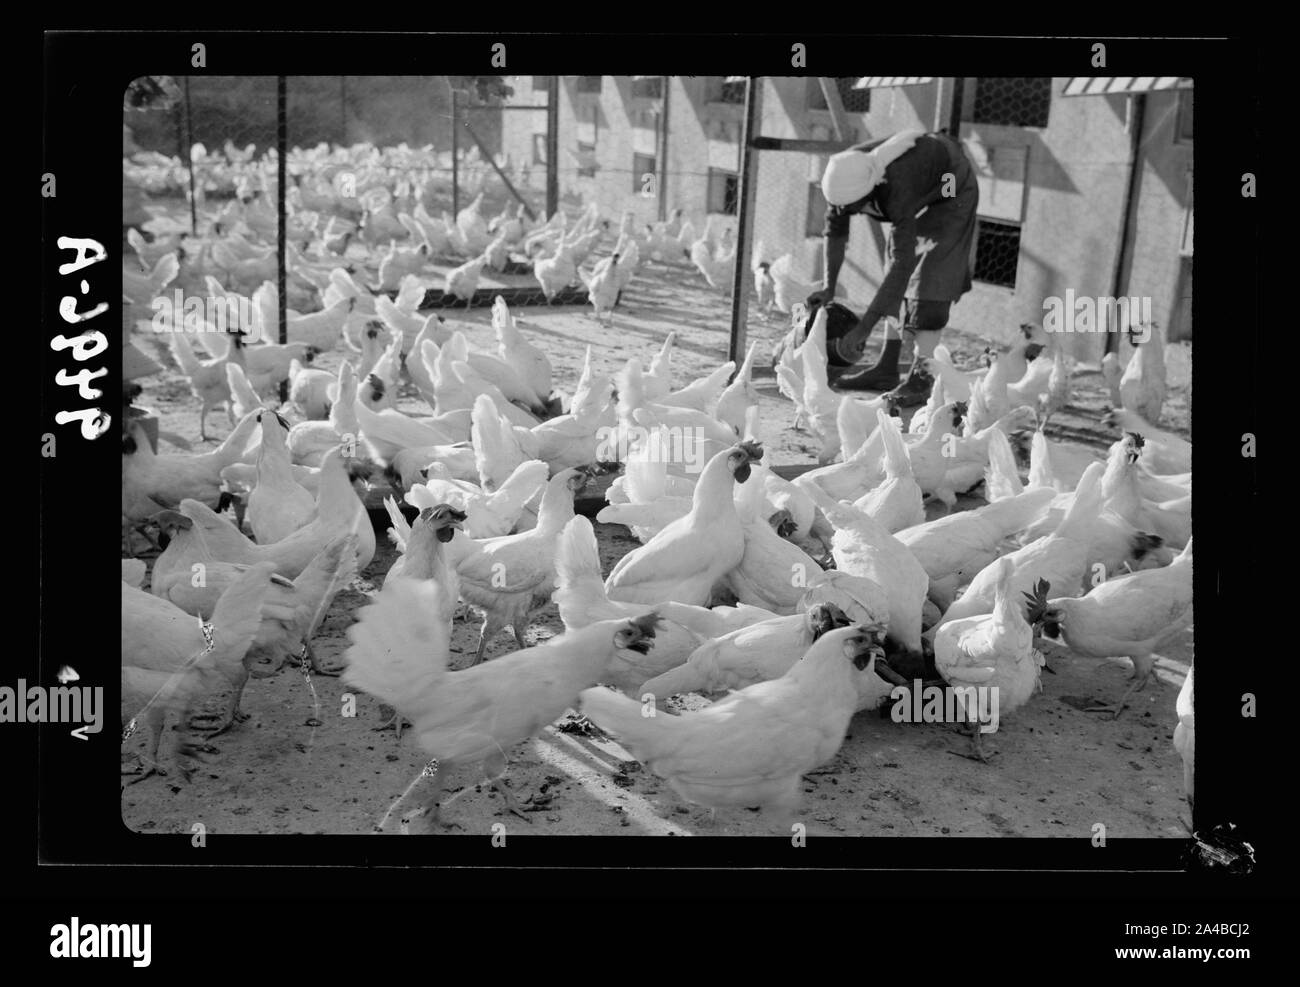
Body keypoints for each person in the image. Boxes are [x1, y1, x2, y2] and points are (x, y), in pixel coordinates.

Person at [806, 129, 979, 407]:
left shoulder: (897, 186)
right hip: (922, 184)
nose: (845, 213)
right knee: (895, 275)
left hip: (950, 184)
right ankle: (886, 369)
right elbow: (835, 233)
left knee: (933, 275)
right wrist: (828, 287)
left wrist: (863, 329)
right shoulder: (842, 177)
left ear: (870, 192)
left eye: (852, 209)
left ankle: (922, 380)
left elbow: (903, 265)